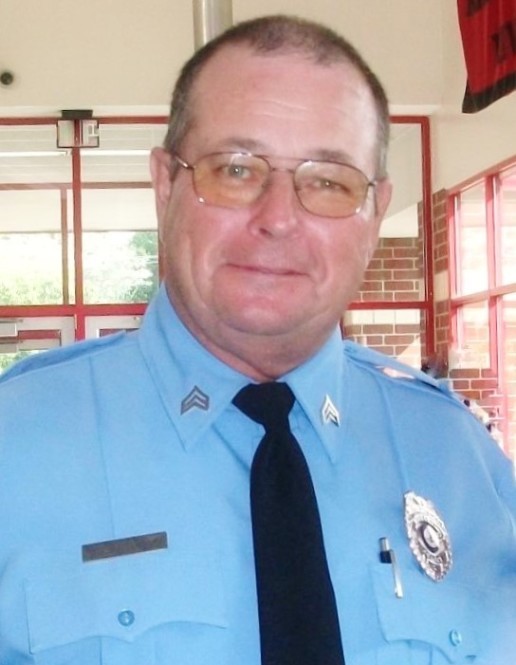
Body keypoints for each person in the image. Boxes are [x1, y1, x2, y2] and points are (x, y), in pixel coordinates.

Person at [0, 14, 515, 665]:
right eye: (236, 170)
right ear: (165, 185)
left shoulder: (460, 461)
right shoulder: (15, 446)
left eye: (328, 181)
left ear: (375, 212)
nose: (278, 219)